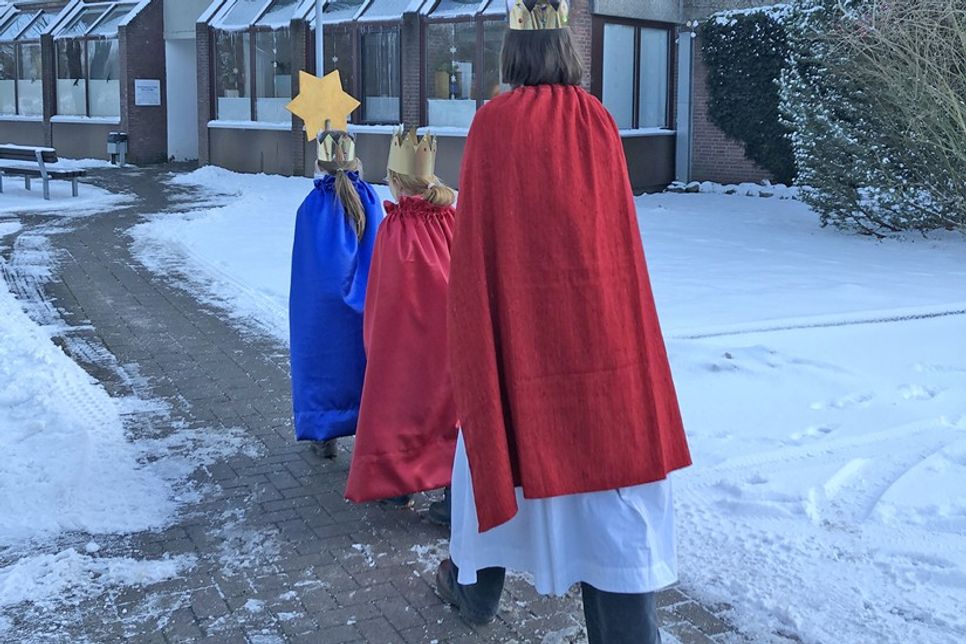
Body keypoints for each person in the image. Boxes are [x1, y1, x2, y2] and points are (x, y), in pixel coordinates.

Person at [437, 1, 692, 642]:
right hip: (605, 347)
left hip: (527, 350)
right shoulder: (600, 120)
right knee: (613, 498)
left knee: (500, 460)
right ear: (567, 50)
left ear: (512, 54)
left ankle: (473, 592)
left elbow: (475, 261)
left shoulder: (494, 125)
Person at [345, 129, 458, 524]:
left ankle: (397, 484)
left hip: (405, 342)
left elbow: (384, 291)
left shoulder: (396, 227)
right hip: (450, 339)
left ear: (394, 180)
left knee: (399, 405)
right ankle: (454, 491)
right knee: (450, 412)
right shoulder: (451, 219)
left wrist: (376, 337)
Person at [288, 128, 384, 456]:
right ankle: (367, 429)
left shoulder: (313, 206)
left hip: (321, 306)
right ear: (356, 161)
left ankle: (324, 433)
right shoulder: (369, 198)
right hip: (367, 299)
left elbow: (306, 265)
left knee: (323, 361)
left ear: (320, 164)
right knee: (362, 361)